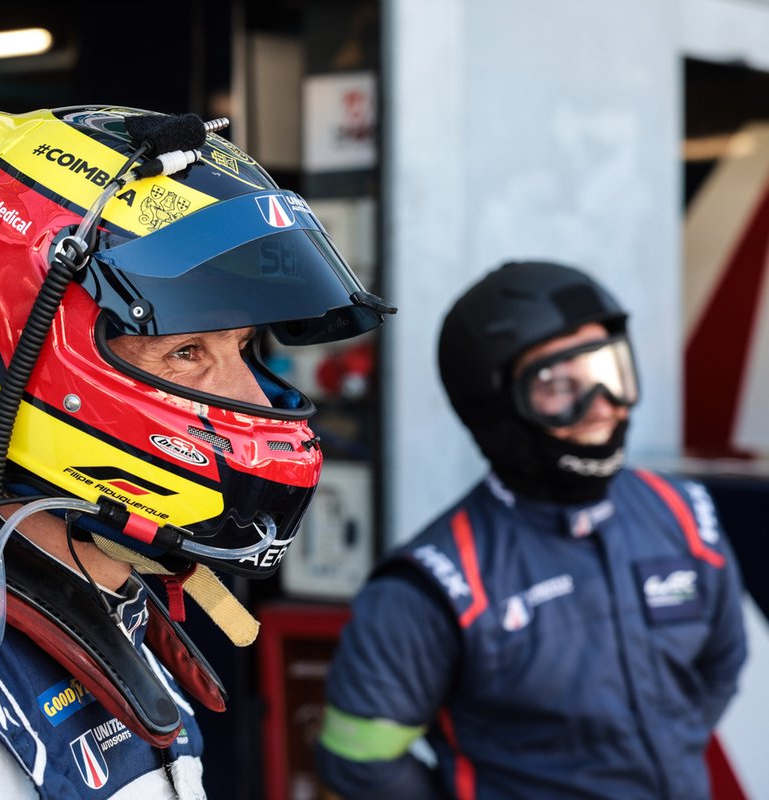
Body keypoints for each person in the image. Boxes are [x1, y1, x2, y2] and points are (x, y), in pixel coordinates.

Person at [0, 106, 395, 798]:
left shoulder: (119, 627)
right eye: (186, 351)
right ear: (26, 367)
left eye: (240, 349)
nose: (259, 402)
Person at [315, 260, 747, 799]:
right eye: (561, 385)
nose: (602, 408)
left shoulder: (683, 513)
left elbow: (722, 666)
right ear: (496, 404)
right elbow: (357, 759)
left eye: (610, 372)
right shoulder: (434, 585)